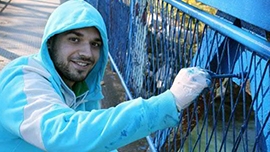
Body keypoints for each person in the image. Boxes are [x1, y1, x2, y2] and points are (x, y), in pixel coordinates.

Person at [0, 0, 211, 151]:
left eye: (96, 44)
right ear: (50, 42)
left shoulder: (81, 90)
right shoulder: (22, 80)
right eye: (74, 39)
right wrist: (169, 102)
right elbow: (62, 133)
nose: (86, 53)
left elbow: (94, 141)